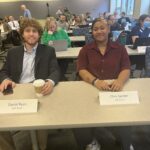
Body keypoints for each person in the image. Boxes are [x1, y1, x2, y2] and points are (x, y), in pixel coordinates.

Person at [0, 18, 60, 150]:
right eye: (27, 31)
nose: (31, 34)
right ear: (22, 34)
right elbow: (3, 71)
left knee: (41, 122)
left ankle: (41, 147)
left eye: (34, 31)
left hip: (38, 92)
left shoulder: (48, 51)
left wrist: (50, 81)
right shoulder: (13, 52)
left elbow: (55, 70)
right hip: (16, 91)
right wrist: (4, 79)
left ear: (39, 34)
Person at [74, 18, 132, 150]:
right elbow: (81, 69)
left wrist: (120, 81)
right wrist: (95, 81)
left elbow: (126, 68)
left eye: (102, 28)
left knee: (126, 115)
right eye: (95, 29)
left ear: (108, 30)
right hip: (92, 87)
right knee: (78, 117)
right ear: (92, 32)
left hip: (114, 89)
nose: (99, 31)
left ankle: (125, 143)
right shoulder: (85, 49)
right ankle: (90, 141)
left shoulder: (120, 48)